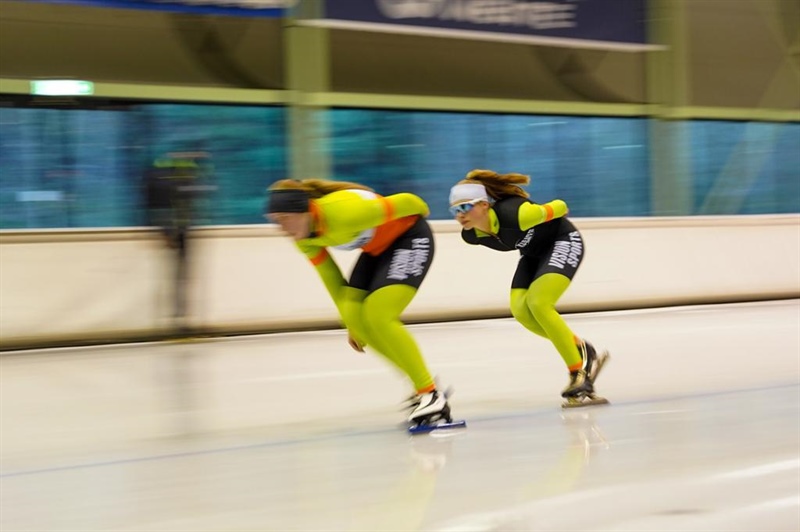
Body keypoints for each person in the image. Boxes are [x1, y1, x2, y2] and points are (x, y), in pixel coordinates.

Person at [265, 178, 453, 425]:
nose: (282, 228)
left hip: (410, 235)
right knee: (358, 321)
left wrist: (421, 212)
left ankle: (430, 394)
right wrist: (350, 322)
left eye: (284, 219)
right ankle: (423, 386)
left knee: (379, 315)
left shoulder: (346, 212)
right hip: (375, 249)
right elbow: (332, 280)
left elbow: (411, 201)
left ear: (304, 211)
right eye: (276, 222)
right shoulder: (304, 238)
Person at [448, 169, 608, 405]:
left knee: (539, 303)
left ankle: (578, 372)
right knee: (521, 311)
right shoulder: (472, 236)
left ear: (484, 204)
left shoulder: (517, 213)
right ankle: (582, 350)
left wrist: (547, 212)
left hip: (562, 240)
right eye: (455, 210)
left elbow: (561, 206)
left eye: (465, 207)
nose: (460, 215)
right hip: (533, 253)